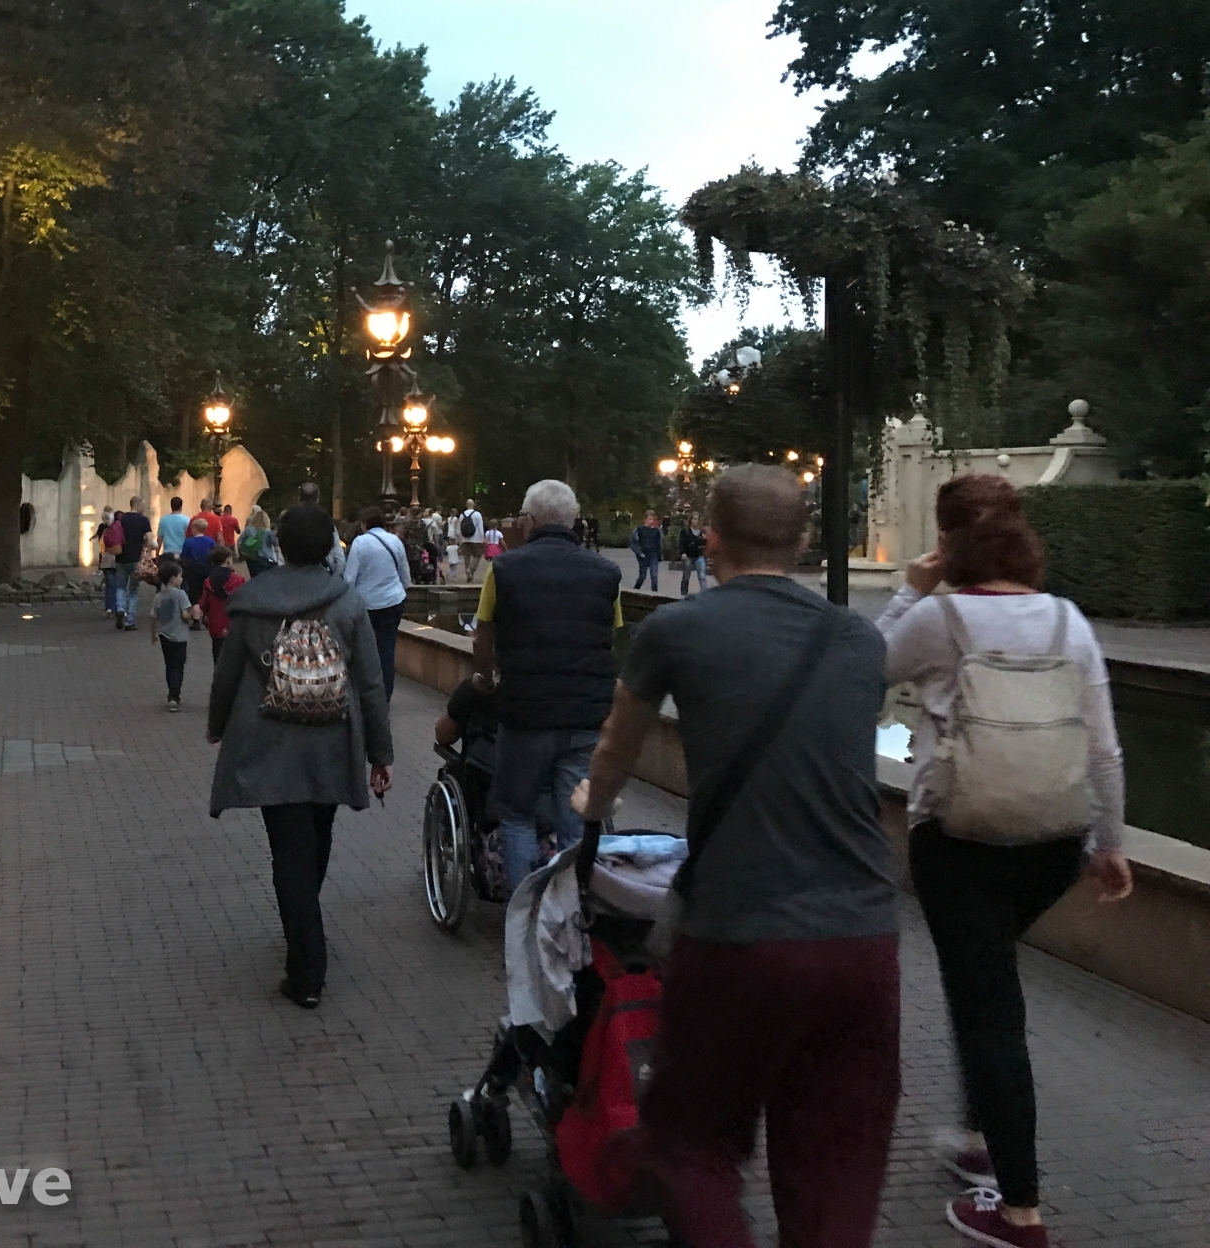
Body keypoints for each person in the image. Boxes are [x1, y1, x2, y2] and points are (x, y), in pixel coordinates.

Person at [569, 465, 901, 1248]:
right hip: (862, 937)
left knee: (691, 1144)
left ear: (710, 538)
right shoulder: (858, 638)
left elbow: (617, 747)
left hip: (739, 931)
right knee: (835, 1164)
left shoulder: (677, 631)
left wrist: (593, 803)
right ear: (804, 539)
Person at [876, 474, 1132, 1248]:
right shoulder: (1067, 620)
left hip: (960, 843)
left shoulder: (938, 618)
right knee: (984, 987)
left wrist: (907, 590)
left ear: (948, 545)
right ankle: (979, 1136)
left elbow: (860, 668)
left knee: (990, 1011)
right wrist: (1110, 844)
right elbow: (1104, 749)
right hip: (1053, 845)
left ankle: (1018, 1211)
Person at [206, 504, 393, 1010]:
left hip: (269, 744)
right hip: (331, 742)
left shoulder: (252, 601)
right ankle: (306, 933)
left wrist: (217, 725)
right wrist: (380, 752)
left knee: (289, 851)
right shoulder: (348, 601)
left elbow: (227, 674)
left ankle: (306, 966)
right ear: (330, 545)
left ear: (281, 545)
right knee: (317, 837)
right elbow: (371, 683)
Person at [470, 479, 620, 885]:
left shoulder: (503, 569)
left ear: (531, 520)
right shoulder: (607, 573)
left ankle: (524, 909)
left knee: (517, 814)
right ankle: (571, 906)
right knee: (577, 818)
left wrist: (484, 677)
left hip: (526, 714)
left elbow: (483, 637)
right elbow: (611, 637)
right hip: (585, 715)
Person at [343, 503, 411, 698]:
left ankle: (364, 693)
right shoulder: (395, 541)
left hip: (366, 605)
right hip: (393, 601)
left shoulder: (360, 543)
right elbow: (406, 578)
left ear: (364, 524)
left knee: (362, 650)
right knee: (387, 650)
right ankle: (385, 695)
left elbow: (349, 579)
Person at [148, 559, 193, 711]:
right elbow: (185, 614)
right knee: (178, 666)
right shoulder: (181, 594)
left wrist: (153, 634)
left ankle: (171, 692)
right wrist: (191, 616)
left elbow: (153, 617)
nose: (182, 579)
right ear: (173, 578)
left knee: (169, 665)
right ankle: (175, 696)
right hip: (179, 637)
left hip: (164, 635)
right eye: (180, 576)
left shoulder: (158, 597)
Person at [196, 543, 246, 663]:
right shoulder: (238, 580)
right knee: (234, 658)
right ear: (228, 560)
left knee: (217, 656)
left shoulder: (208, 581)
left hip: (216, 624)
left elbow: (204, 604)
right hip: (233, 623)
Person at [112, 494, 153, 631]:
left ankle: (120, 608)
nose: (144, 508)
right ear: (137, 504)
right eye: (143, 505)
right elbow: (150, 540)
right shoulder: (143, 520)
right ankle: (130, 621)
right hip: (136, 559)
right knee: (133, 590)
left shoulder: (121, 519)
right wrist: (148, 550)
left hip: (121, 558)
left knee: (120, 587)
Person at [296, 483, 344, 573]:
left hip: (296, 573)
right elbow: (339, 557)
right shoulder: (327, 524)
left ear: (299, 499)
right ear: (317, 499)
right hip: (322, 572)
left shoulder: (291, 523)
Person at [238, 505, 278, 577]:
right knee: (267, 577)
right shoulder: (267, 531)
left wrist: (243, 551)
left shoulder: (249, 529)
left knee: (254, 576)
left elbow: (240, 541)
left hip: (250, 557)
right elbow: (275, 543)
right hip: (265, 557)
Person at [629, 510, 663, 591]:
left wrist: (659, 555)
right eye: (650, 519)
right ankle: (635, 590)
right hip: (643, 556)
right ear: (645, 520)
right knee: (642, 576)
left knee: (654, 575)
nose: (651, 521)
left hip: (653, 555)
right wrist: (639, 553)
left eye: (653, 519)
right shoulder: (639, 530)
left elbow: (658, 544)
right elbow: (633, 543)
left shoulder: (656, 531)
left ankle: (654, 593)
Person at [677, 512, 708, 595]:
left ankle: (704, 592)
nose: (696, 521)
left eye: (697, 519)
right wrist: (682, 553)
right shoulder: (685, 531)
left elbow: (703, 544)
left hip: (698, 555)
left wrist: (704, 540)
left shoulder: (701, 531)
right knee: (686, 575)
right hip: (688, 555)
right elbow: (681, 543)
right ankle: (684, 592)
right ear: (690, 520)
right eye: (694, 519)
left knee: (702, 575)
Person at [457, 498, 486, 582]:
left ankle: (468, 576)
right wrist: (482, 538)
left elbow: (459, 528)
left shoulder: (462, 515)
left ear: (466, 505)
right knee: (478, 555)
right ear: (473, 505)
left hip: (465, 539)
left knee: (466, 557)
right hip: (476, 539)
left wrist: (460, 539)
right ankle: (471, 569)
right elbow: (480, 527)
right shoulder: (477, 514)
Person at [157, 495, 190, 568]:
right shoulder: (186, 520)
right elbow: (188, 537)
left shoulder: (164, 520)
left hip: (167, 553)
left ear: (171, 506)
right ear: (181, 507)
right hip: (181, 553)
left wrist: (157, 555)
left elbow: (159, 539)